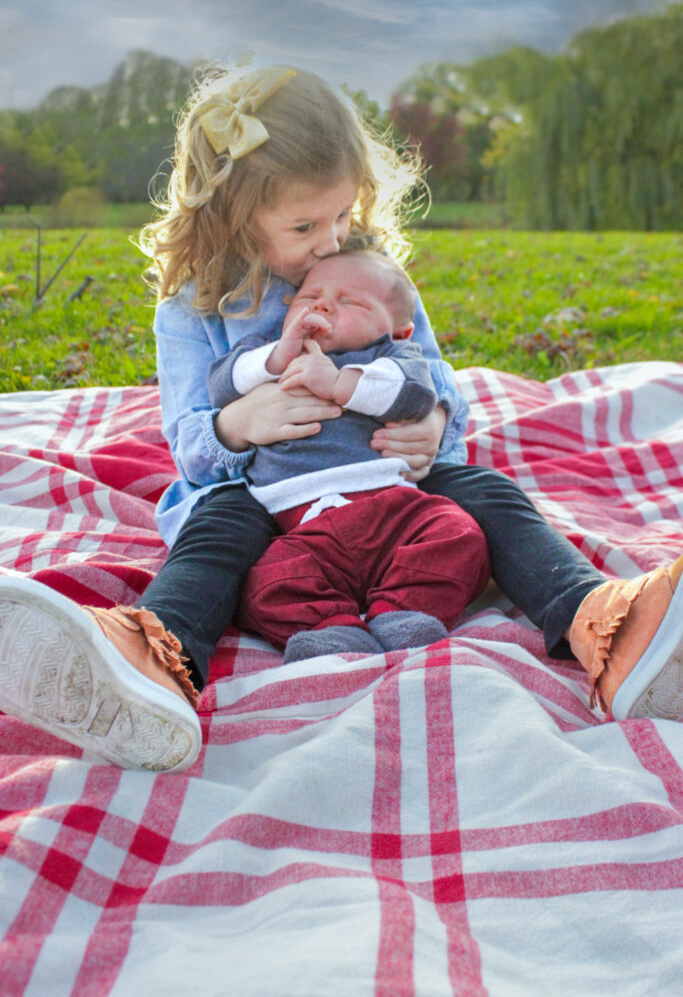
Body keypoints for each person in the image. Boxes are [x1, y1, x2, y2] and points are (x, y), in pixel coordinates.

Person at [0, 63, 680, 775]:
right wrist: (240, 426)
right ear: (230, 213)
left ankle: (605, 628)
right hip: (266, 495)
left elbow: (436, 383)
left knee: (489, 494)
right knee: (214, 534)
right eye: (303, 225)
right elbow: (190, 447)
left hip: (390, 482)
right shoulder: (193, 309)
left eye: (341, 216)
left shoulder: (368, 274)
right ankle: (147, 663)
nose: (329, 242)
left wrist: (434, 426)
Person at [208, 248, 492, 660]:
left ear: (398, 331)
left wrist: (340, 382)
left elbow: (413, 394)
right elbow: (221, 385)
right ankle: (331, 629)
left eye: (350, 301)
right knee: (265, 583)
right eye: (309, 298)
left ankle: (402, 613)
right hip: (304, 523)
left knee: (459, 536)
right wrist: (276, 356)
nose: (323, 305)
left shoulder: (392, 357)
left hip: (393, 508)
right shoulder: (266, 356)